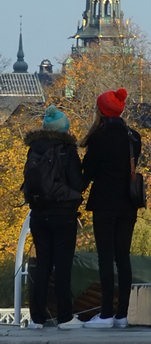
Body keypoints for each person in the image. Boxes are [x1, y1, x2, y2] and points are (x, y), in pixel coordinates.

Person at [81, 88, 141, 329]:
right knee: (123, 257)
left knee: (105, 257)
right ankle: (122, 313)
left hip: (104, 203)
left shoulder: (98, 138)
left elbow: (89, 172)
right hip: (128, 203)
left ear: (102, 111)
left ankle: (105, 313)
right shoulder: (133, 137)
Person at [22, 105, 86, 330]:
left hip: (38, 214)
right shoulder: (66, 150)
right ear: (64, 129)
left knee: (43, 265)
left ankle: (37, 318)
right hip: (63, 214)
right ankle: (65, 317)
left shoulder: (34, 149)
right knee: (63, 265)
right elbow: (77, 183)